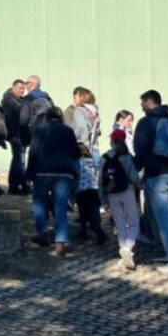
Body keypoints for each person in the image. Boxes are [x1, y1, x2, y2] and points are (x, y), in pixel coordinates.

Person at [132, 89, 168, 277]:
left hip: (157, 175)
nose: (141, 107)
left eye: (143, 103)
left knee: (163, 219)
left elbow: (140, 150)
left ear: (149, 102)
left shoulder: (147, 122)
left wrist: (135, 169)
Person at [27, 105, 81, 255]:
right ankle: (60, 242)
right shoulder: (68, 131)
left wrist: (29, 174)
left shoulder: (39, 130)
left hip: (42, 171)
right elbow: (75, 153)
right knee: (61, 206)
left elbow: (33, 152)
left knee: (39, 201)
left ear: (47, 116)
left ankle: (42, 232)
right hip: (64, 172)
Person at [69, 87, 104, 244]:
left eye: (75, 96)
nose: (74, 99)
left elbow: (82, 131)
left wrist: (79, 145)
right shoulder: (94, 112)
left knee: (82, 194)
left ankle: (88, 228)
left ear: (81, 97)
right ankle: (95, 224)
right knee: (93, 192)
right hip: (95, 153)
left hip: (84, 154)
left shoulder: (80, 111)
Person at [102, 128, 141, 269]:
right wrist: (139, 185)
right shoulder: (127, 156)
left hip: (112, 193)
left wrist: (103, 199)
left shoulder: (105, 157)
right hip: (128, 191)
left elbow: (101, 180)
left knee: (119, 224)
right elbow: (134, 177)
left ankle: (123, 252)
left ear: (111, 140)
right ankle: (128, 249)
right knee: (134, 222)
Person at [1, 79, 29, 194]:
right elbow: (9, 119)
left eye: (23, 88)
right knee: (18, 159)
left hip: (20, 135)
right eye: (20, 88)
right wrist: (11, 134)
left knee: (20, 160)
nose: (22, 91)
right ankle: (15, 185)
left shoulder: (18, 100)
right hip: (15, 135)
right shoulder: (9, 101)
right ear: (13, 88)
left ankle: (19, 184)